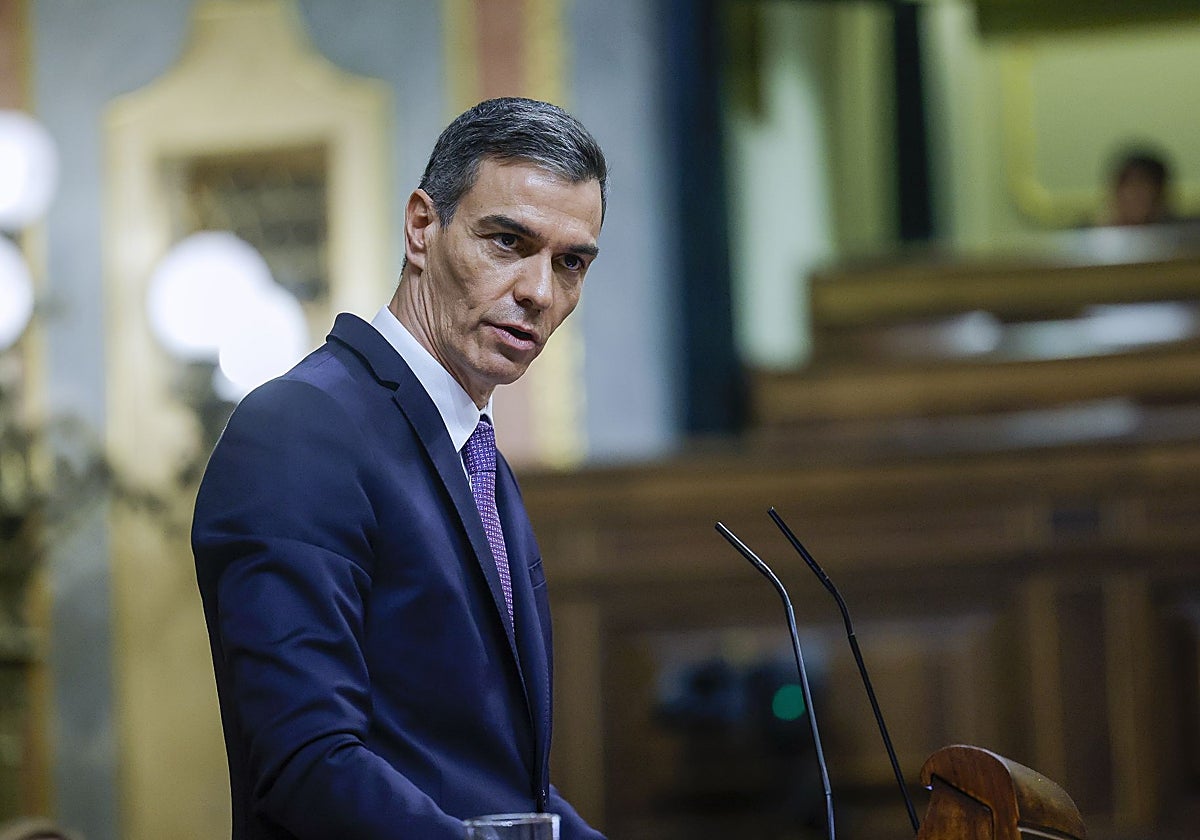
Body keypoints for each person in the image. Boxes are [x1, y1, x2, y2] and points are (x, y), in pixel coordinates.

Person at [192, 97, 607, 840]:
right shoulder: (300, 428)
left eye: (570, 262)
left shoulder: (472, 451)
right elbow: (307, 763)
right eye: (508, 241)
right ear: (422, 227)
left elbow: (495, 782)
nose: (540, 293)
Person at [1105, 148, 1172, 227]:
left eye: (1143, 187)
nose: (1135, 196)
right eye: (1130, 186)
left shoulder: (1180, 234)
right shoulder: (1099, 235)